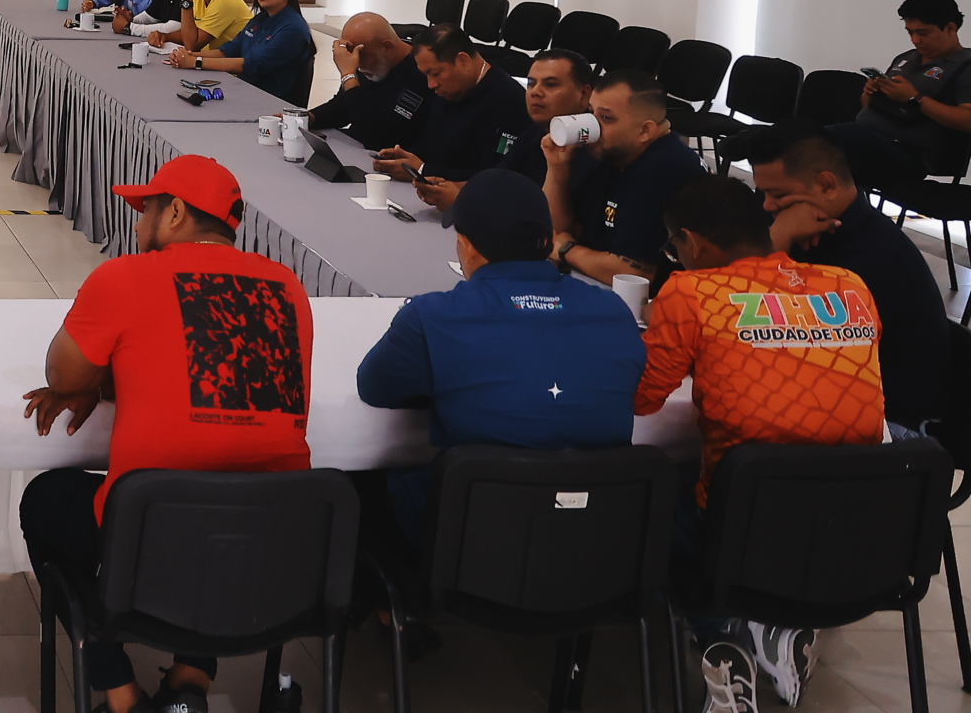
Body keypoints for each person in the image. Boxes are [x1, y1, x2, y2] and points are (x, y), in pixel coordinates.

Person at [18, 156, 311, 713]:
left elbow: (62, 377)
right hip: (270, 543)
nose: (137, 223)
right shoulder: (288, 288)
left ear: (174, 212)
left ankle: (122, 696)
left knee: (45, 499)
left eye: (145, 208)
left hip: (152, 538)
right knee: (217, 503)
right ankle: (188, 686)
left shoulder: (124, 277)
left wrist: (98, 379)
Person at [637, 176, 885, 710]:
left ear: (691, 242)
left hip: (746, 519)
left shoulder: (690, 292)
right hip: (857, 524)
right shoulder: (849, 284)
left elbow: (643, 398)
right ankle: (777, 623)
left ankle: (725, 641)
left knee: (650, 493)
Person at [356, 171, 645, 546]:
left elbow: (375, 388)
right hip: (595, 545)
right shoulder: (615, 312)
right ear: (548, 242)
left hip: (471, 542)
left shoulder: (433, 317)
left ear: (467, 247)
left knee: (365, 485)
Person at [747, 121, 947, 432]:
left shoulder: (872, 259)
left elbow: (752, 328)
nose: (767, 205)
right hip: (840, 397)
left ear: (827, 185)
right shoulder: (816, 230)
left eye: (778, 194)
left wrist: (777, 241)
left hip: (892, 427)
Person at [540, 70, 704, 287]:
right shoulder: (610, 151)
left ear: (645, 130)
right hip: (594, 277)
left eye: (606, 118)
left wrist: (567, 250)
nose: (592, 127)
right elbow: (557, 231)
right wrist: (557, 168)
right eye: (591, 113)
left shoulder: (665, 169)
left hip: (664, 296)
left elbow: (631, 275)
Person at [373, 28, 531, 210]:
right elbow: (432, 140)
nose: (431, 84)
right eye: (426, 75)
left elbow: (498, 177)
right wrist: (406, 158)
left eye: (436, 73)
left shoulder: (507, 102)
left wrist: (423, 169)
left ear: (463, 60)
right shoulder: (451, 89)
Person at [832, 0, 971, 189]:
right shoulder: (906, 58)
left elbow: (968, 120)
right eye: (910, 32)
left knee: (826, 141)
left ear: (950, 28)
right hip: (870, 141)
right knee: (807, 141)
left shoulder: (965, 65)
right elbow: (869, 107)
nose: (915, 40)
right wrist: (871, 92)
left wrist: (915, 98)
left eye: (923, 33)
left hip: (909, 155)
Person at [169, 0, 314, 102]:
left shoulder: (292, 29)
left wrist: (196, 62)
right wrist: (188, 56)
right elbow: (229, 51)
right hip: (244, 90)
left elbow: (251, 64)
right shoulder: (260, 19)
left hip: (268, 101)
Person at [307, 13, 430, 153]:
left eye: (361, 55)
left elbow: (377, 139)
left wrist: (349, 76)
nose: (357, 64)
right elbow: (343, 109)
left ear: (386, 47)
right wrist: (310, 118)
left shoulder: (422, 74)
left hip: (386, 155)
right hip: (354, 147)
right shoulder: (371, 62)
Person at [498, 50, 597, 180]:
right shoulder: (534, 132)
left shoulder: (597, 151)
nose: (535, 92)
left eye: (550, 84)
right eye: (531, 84)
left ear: (584, 94)